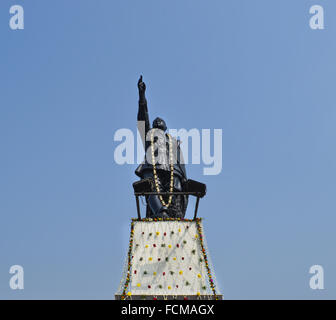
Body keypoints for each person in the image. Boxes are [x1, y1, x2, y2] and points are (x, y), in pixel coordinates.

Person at [135, 75, 188, 218]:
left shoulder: (172, 141)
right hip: (152, 168)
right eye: (155, 121)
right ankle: (159, 212)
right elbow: (143, 117)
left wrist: (184, 179)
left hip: (173, 171)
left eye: (161, 121)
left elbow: (181, 162)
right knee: (152, 189)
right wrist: (142, 96)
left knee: (175, 192)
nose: (158, 121)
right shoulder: (148, 135)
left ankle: (174, 216)